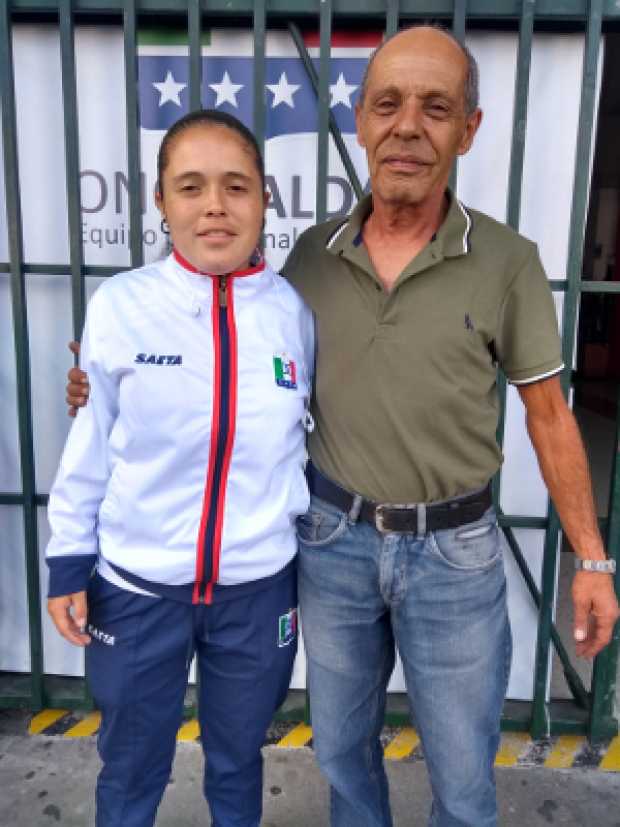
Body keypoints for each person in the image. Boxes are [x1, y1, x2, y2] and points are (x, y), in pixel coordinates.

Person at [66, 25, 620, 827]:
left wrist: (594, 560)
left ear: (469, 128)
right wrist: (104, 380)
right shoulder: (310, 261)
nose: (408, 126)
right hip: (331, 545)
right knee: (341, 755)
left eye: (437, 108)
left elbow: (549, 414)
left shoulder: (509, 261)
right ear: (359, 119)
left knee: (465, 770)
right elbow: (234, 366)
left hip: (454, 555)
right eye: (387, 103)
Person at [47, 108, 314, 827]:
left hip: (256, 595)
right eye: (190, 186)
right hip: (136, 592)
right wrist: (68, 559)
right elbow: (92, 440)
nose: (215, 206)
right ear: (161, 201)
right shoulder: (122, 306)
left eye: (236, 186)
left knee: (237, 764)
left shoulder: (294, 314)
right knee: (131, 766)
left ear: (265, 197)